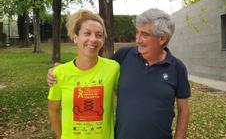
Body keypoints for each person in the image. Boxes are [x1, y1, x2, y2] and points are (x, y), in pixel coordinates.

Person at [48, 8, 190, 139]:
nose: (137, 39)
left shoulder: (177, 68)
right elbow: (94, 68)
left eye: (144, 34)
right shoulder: (124, 56)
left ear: (162, 38)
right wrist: (59, 71)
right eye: (137, 32)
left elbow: (183, 110)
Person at [47, 9, 120, 139]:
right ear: (76, 38)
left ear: (103, 40)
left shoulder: (113, 68)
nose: (93, 39)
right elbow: (53, 110)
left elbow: (127, 97)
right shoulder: (59, 73)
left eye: (99, 35)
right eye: (87, 33)